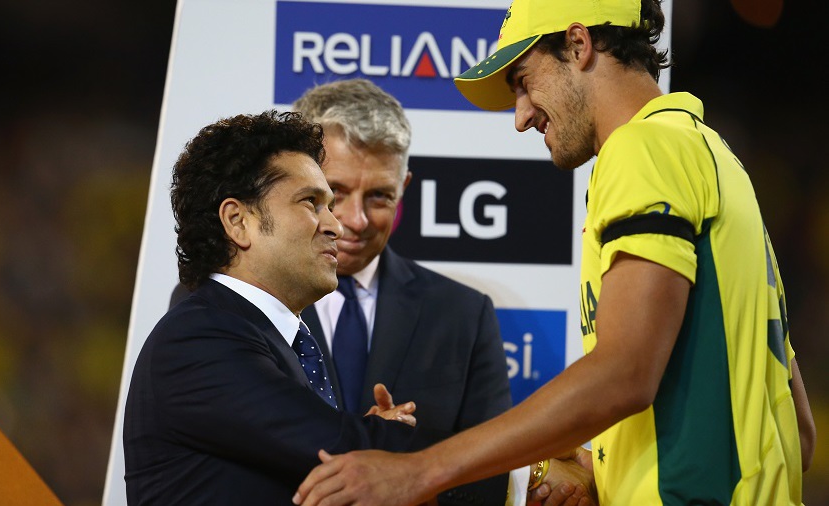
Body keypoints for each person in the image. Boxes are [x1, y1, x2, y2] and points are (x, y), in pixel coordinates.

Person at [292, 0, 817, 505]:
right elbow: (798, 431)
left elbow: (625, 374)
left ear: (578, 44)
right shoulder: (718, 158)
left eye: (523, 82)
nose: (520, 117)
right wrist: (599, 467)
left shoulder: (641, 150)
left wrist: (417, 471)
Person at [122, 110, 445, 505]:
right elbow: (334, 448)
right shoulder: (198, 339)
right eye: (311, 202)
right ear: (238, 221)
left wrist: (367, 437)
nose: (336, 226)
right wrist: (383, 436)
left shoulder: (279, 340)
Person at [291, 79, 514, 506]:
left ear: (404, 189)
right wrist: (368, 440)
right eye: (334, 193)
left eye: (379, 196)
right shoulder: (232, 305)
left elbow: (491, 468)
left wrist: (409, 478)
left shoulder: (463, 315)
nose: (354, 220)